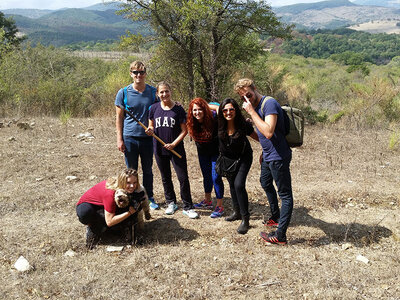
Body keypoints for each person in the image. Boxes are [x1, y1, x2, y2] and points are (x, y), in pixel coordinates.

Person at [236, 78, 293, 245]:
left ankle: (280, 235)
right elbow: (263, 133)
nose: (247, 99)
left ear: (255, 89)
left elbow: (268, 132)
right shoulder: (256, 107)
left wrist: (251, 113)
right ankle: (275, 216)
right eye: (243, 98)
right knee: (265, 182)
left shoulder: (269, 104)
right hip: (268, 155)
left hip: (278, 156)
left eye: (248, 94)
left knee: (285, 195)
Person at [146, 81, 199, 219]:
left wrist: (174, 144)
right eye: (161, 92)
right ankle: (171, 202)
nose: (164, 94)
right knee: (165, 177)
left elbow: (184, 131)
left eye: (166, 91)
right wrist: (150, 130)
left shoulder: (178, 109)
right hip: (159, 148)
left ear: (170, 91)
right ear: (157, 94)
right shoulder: (153, 108)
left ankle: (188, 206)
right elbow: (151, 126)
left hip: (176, 149)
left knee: (183, 177)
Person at [115, 61, 159, 210]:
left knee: (148, 170)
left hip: (148, 138)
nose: (138, 75)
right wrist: (119, 139)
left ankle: (149, 197)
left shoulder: (153, 92)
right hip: (130, 138)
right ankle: (132, 198)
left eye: (141, 72)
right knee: (131, 171)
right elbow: (119, 118)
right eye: (135, 72)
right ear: (131, 74)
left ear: (145, 74)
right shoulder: (123, 93)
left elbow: (161, 109)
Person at [76, 168, 150, 249]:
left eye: (134, 182)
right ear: (122, 182)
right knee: (86, 213)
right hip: (89, 206)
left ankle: (116, 230)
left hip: (105, 205)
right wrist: (129, 213)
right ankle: (93, 227)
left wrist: (145, 212)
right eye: (128, 183)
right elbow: (110, 222)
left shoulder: (135, 189)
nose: (132, 186)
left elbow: (144, 201)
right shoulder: (111, 193)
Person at [218, 98, 258, 234]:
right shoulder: (219, 124)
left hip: (243, 158)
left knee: (239, 185)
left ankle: (245, 220)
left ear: (236, 110)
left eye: (231, 109)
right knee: (232, 185)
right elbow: (209, 107)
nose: (228, 112)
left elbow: (257, 137)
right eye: (225, 110)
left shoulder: (243, 125)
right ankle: (237, 212)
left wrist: (267, 149)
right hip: (228, 161)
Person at [187, 98, 225, 218]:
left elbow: (220, 107)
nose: (197, 112)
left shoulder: (213, 117)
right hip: (202, 152)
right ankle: (208, 201)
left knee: (216, 177)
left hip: (215, 151)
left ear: (205, 109)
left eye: (200, 109)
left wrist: (205, 105)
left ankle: (220, 206)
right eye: (195, 110)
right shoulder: (191, 120)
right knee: (206, 176)